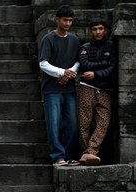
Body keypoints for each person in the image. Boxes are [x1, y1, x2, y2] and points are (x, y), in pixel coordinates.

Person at [38, 4, 80, 166]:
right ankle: (58, 156)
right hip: (51, 89)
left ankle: (69, 155)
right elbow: (43, 63)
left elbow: (79, 61)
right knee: (54, 124)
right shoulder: (48, 39)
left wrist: (69, 72)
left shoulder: (74, 39)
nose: (68, 23)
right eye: (65, 20)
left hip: (69, 88)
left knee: (72, 123)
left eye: (70, 20)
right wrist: (62, 73)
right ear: (57, 20)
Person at [77, 19, 116, 166]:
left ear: (105, 30)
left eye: (100, 29)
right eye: (94, 29)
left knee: (103, 121)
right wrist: (103, 64)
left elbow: (112, 67)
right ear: (90, 31)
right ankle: (85, 153)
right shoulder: (85, 47)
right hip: (86, 87)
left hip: (105, 89)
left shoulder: (112, 46)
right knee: (84, 122)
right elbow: (84, 64)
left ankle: (91, 151)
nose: (98, 32)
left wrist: (95, 74)